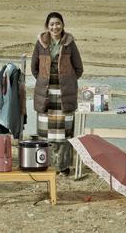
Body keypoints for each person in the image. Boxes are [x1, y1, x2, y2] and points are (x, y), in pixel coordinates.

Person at [31, 12, 83, 174]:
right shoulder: (41, 43)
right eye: (52, 24)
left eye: (58, 23)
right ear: (47, 26)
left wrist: (68, 81)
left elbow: (78, 68)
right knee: (45, 134)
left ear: (63, 25)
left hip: (64, 94)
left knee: (64, 134)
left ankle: (64, 166)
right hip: (45, 94)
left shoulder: (69, 43)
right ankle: (46, 164)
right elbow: (34, 68)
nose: (55, 27)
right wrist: (44, 79)